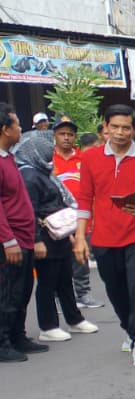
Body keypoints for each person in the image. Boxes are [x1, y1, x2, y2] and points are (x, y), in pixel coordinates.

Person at [73, 104, 135, 367]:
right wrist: (80, 237)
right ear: (105, 128)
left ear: (134, 129)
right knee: (115, 288)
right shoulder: (91, 158)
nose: (119, 132)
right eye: (114, 127)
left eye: (125, 127)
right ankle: (130, 328)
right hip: (103, 237)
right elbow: (84, 199)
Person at [15, 130, 99, 342]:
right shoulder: (29, 175)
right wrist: (36, 240)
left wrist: (69, 233)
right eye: (46, 146)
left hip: (58, 234)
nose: (50, 149)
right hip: (45, 236)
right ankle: (48, 325)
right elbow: (30, 211)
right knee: (47, 282)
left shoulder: (43, 172)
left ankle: (74, 319)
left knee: (64, 279)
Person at [0, 103, 44, 362]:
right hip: (10, 240)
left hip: (24, 237)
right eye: (16, 124)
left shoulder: (9, 157)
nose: (20, 129)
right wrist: (8, 240)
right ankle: (3, 340)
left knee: (23, 289)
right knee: (7, 293)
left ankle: (18, 334)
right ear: (5, 129)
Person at [51, 116, 104, 309]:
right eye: (61, 134)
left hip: (81, 217)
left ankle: (83, 293)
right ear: (54, 136)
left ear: (75, 137)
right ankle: (60, 296)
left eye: (70, 134)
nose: (66, 137)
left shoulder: (84, 158)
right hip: (55, 219)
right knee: (59, 260)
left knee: (80, 257)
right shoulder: (48, 158)